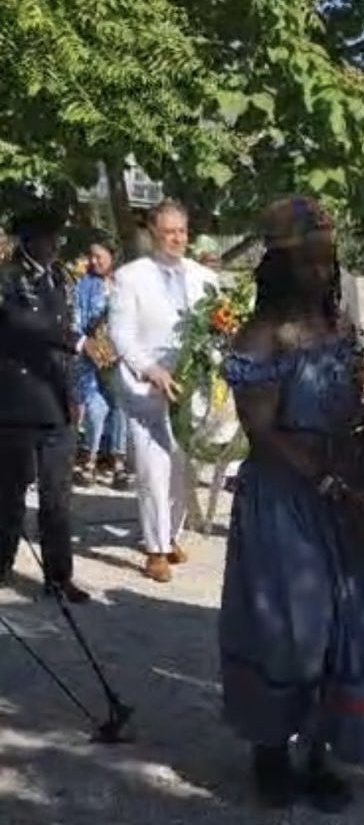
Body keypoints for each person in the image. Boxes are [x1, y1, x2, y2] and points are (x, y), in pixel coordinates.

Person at [219, 196, 364, 811]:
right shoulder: (262, 337)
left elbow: (354, 409)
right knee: (293, 629)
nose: (322, 275)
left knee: (347, 624)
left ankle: (322, 751)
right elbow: (263, 433)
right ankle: (270, 750)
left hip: (344, 491)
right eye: (309, 264)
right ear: (278, 267)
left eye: (328, 263)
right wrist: (323, 481)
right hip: (286, 498)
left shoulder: (340, 329)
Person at [109, 200, 218, 583]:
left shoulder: (205, 277)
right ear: (152, 232)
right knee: (154, 467)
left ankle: (170, 534)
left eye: (182, 231)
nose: (177, 238)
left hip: (191, 387)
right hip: (146, 386)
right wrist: (148, 369)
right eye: (169, 231)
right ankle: (154, 548)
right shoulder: (130, 277)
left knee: (182, 466)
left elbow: (215, 329)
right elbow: (121, 332)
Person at [0, 207, 88, 603]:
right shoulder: (7, 278)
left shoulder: (59, 278)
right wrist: (73, 339)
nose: (56, 246)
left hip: (55, 402)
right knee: (8, 496)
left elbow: (63, 349)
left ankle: (58, 576)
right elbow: (20, 323)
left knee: (58, 499)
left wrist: (73, 395)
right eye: (49, 238)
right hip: (15, 404)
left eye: (58, 239)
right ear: (30, 240)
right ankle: (1, 567)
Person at [72, 234, 129, 490]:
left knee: (121, 408)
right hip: (91, 356)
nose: (94, 261)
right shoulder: (83, 286)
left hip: (121, 358)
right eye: (91, 256)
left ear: (112, 256)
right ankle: (90, 460)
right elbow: (76, 321)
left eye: (99, 256)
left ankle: (118, 463)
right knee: (95, 409)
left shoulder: (126, 284)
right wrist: (88, 345)